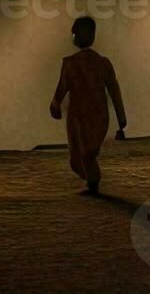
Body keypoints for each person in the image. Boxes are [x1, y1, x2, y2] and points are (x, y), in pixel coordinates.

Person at [49, 16, 127, 194]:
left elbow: (61, 89)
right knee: (85, 156)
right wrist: (121, 117)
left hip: (81, 119)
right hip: (96, 117)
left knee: (81, 157)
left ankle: (93, 184)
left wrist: (55, 104)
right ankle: (93, 183)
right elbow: (114, 90)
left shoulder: (71, 64)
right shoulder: (102, 63)